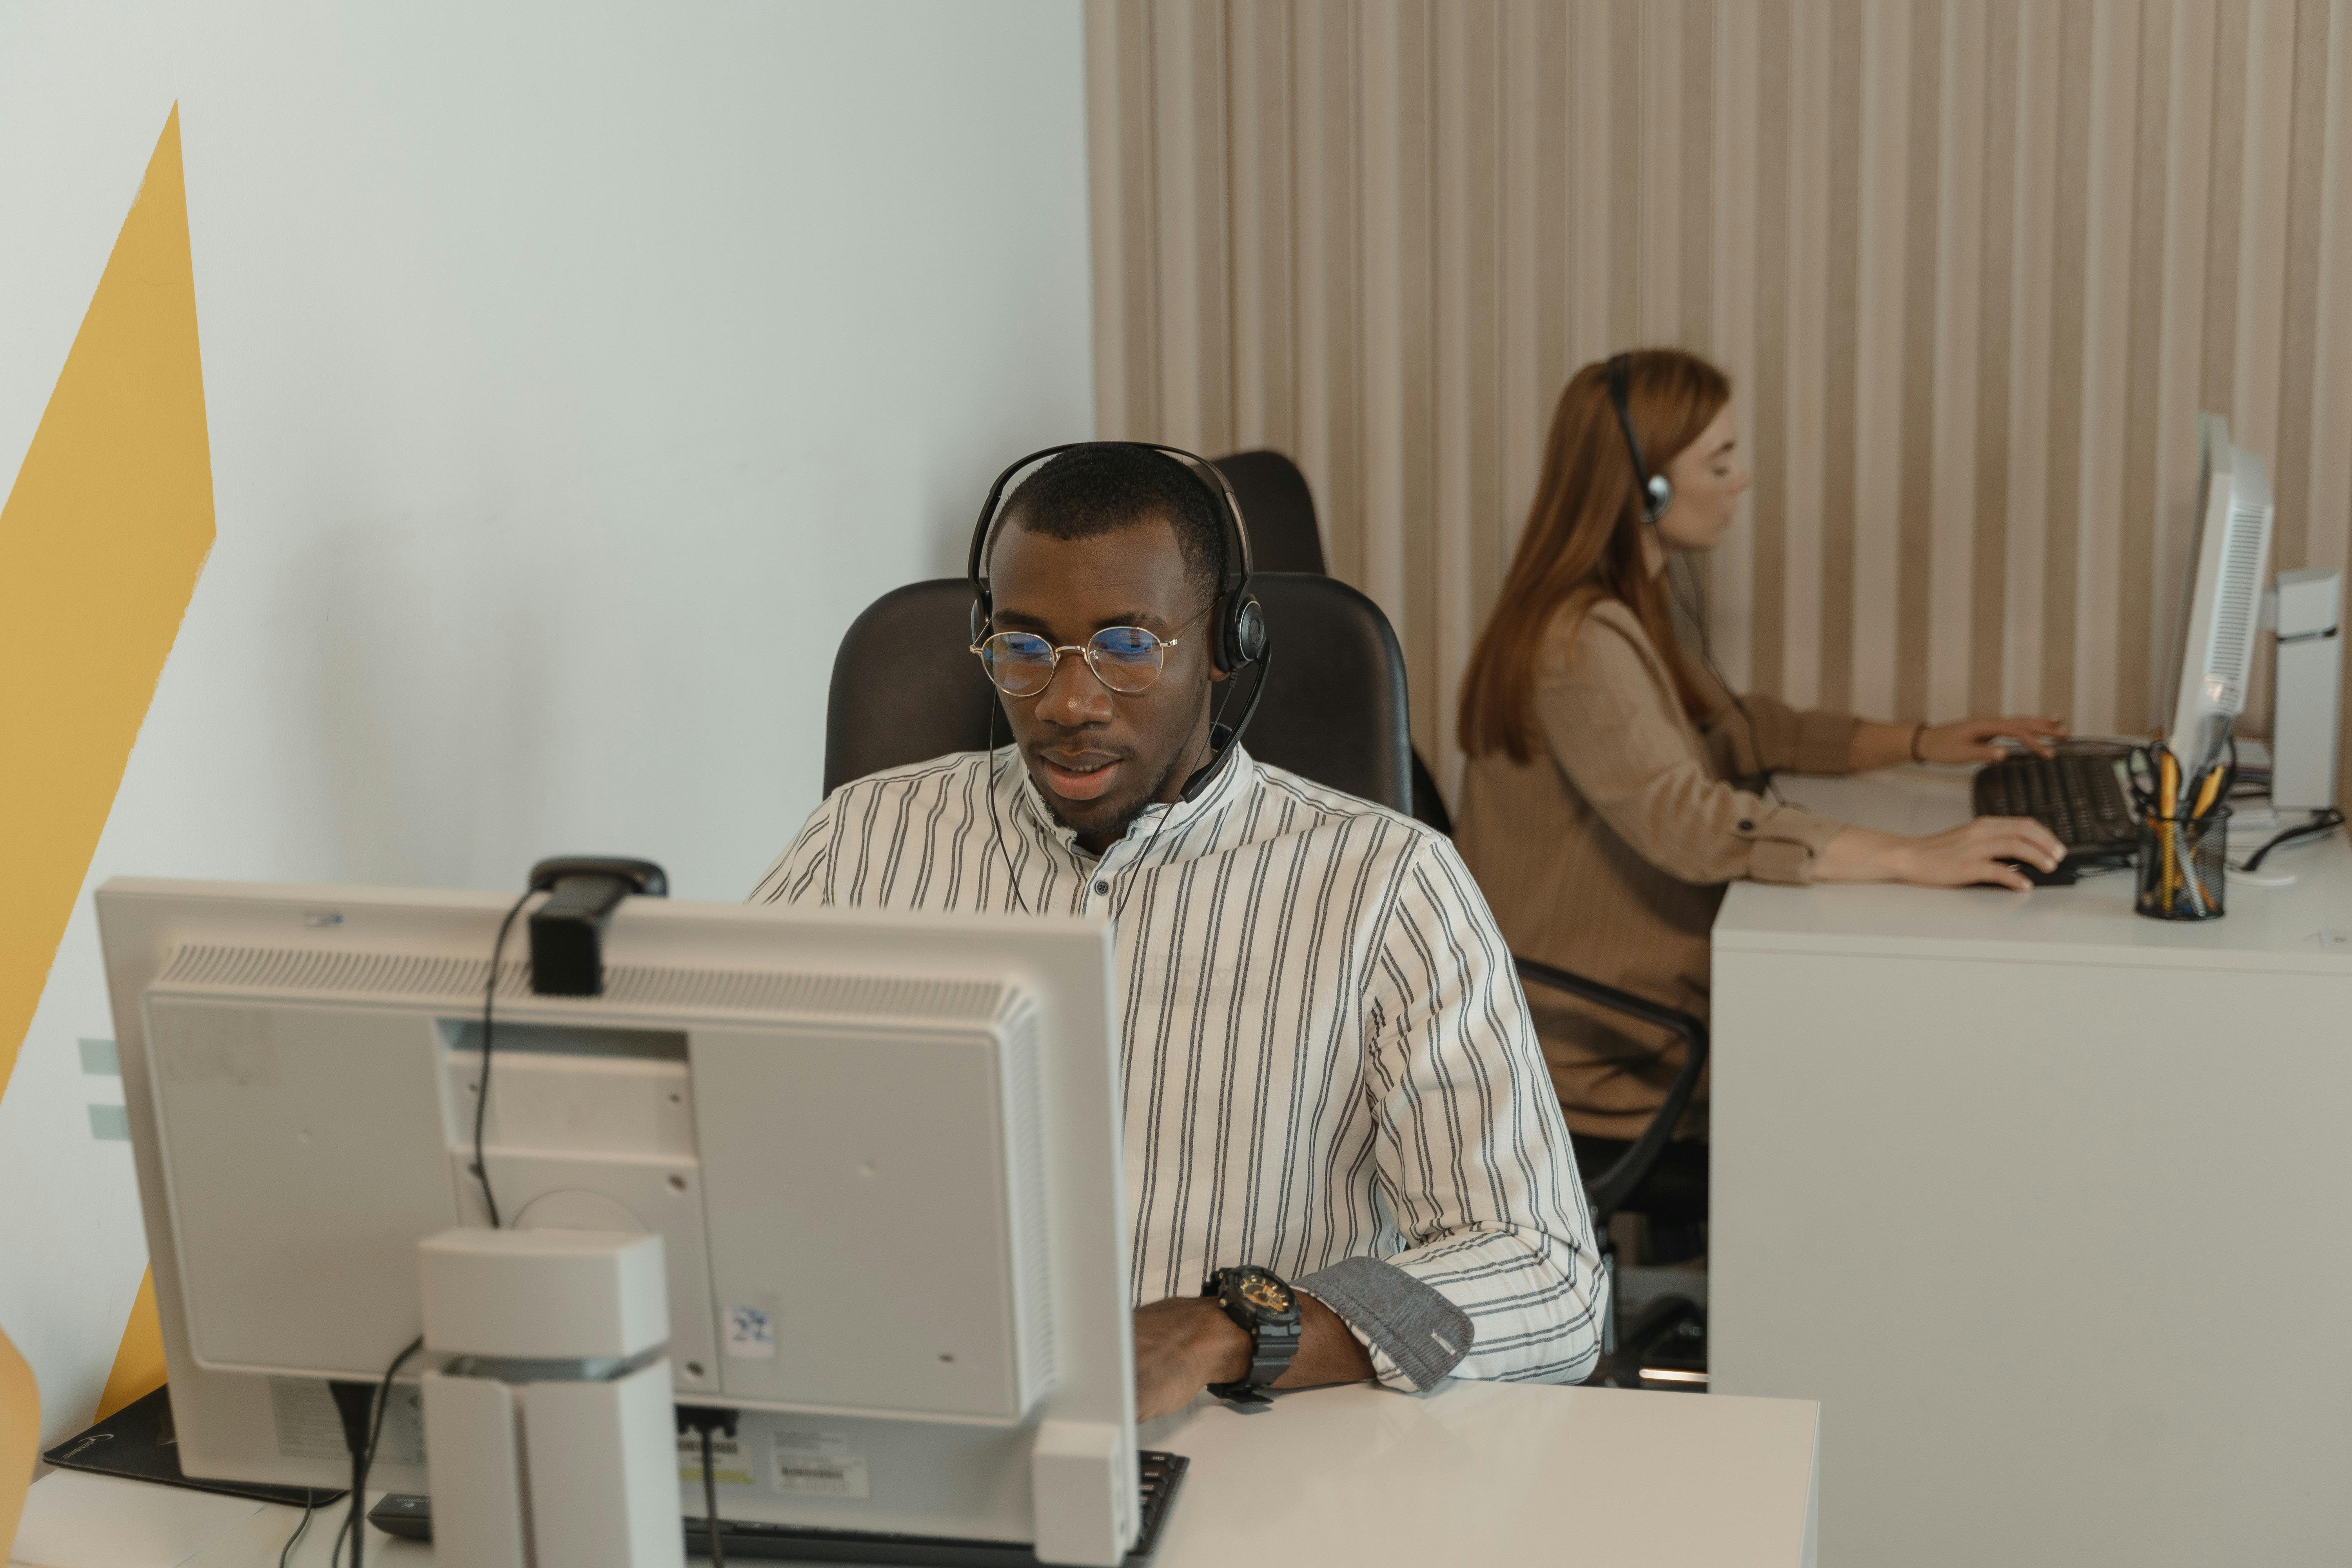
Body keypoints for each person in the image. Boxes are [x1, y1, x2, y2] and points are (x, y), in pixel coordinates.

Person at [753, 443, 1602, 1417]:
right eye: (1025, 649)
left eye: (1127, 646)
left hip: (1253, 1456)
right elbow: (709, 1132)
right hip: (915, 1414)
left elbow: (1551, 1277)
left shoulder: (1387, 885)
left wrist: (1226, 1330)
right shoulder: (862, 841)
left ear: (1223, 644)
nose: (1070, 703)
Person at [1453, 350, 2067, 1253]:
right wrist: (1910, 853)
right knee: (1902, 1073)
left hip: (1630, 1004)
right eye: (1721, 460)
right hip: (1601, 1051)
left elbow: (1736, 731)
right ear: (1648, 488)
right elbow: (1691, 821)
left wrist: (1920, 740)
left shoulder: (1625, 604)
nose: (1745, 479)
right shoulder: (1579, 641)